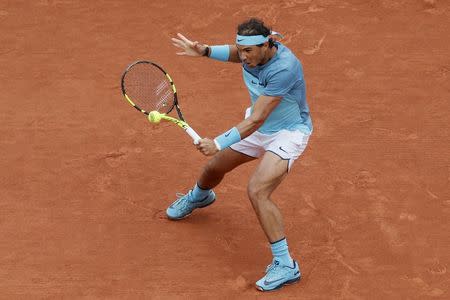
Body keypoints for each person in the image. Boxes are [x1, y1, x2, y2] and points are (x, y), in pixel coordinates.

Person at [168, 18, 312, 292]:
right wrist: (205, 51)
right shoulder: (252, 53)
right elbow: (236, 54)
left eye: (248, 51)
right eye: (240, 50)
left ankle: (286, 265)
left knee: (258, 190)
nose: (243, 57)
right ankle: (200, 197)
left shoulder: (285, 68)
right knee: (213, 168)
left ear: (267, 45)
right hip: (258, 127)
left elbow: (257, 119)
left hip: (287, 133)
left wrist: (219, 142)